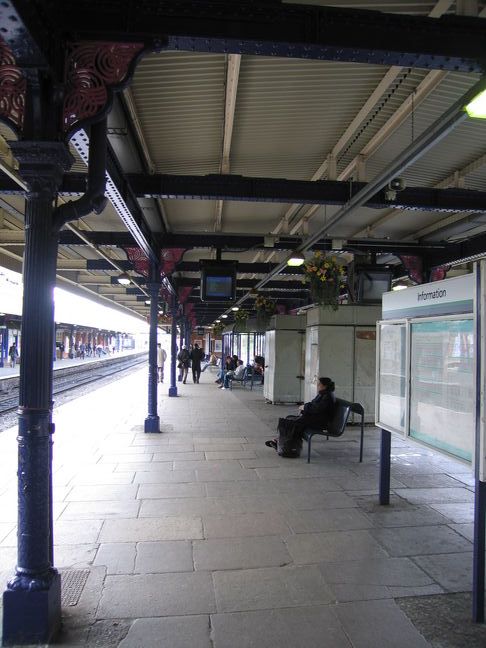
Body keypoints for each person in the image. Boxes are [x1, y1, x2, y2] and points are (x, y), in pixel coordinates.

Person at [266, 376, 336, 451]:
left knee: (292, 423)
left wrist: (305, 408)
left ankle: (281, 443)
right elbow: (313, 404)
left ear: (324, 386)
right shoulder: (323, 394)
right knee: (290, 419)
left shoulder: (327, 396)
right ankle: (281, 442)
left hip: (320, 422)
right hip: (315, 418)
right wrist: (304, 406)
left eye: (319, 384)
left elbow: (317, 408)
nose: (317, 386)